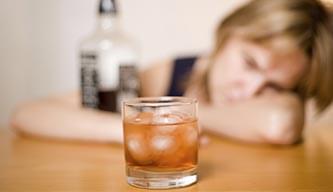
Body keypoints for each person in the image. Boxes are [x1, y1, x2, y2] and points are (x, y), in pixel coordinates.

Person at [11, 0, 333, 145]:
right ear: (225, 37)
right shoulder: (171, 72)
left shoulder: (284, 105)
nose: (248, 91)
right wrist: (135, 129)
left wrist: (173, 119)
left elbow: (279, 124)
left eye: (274, 86)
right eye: (249, 64)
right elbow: (29, 114)